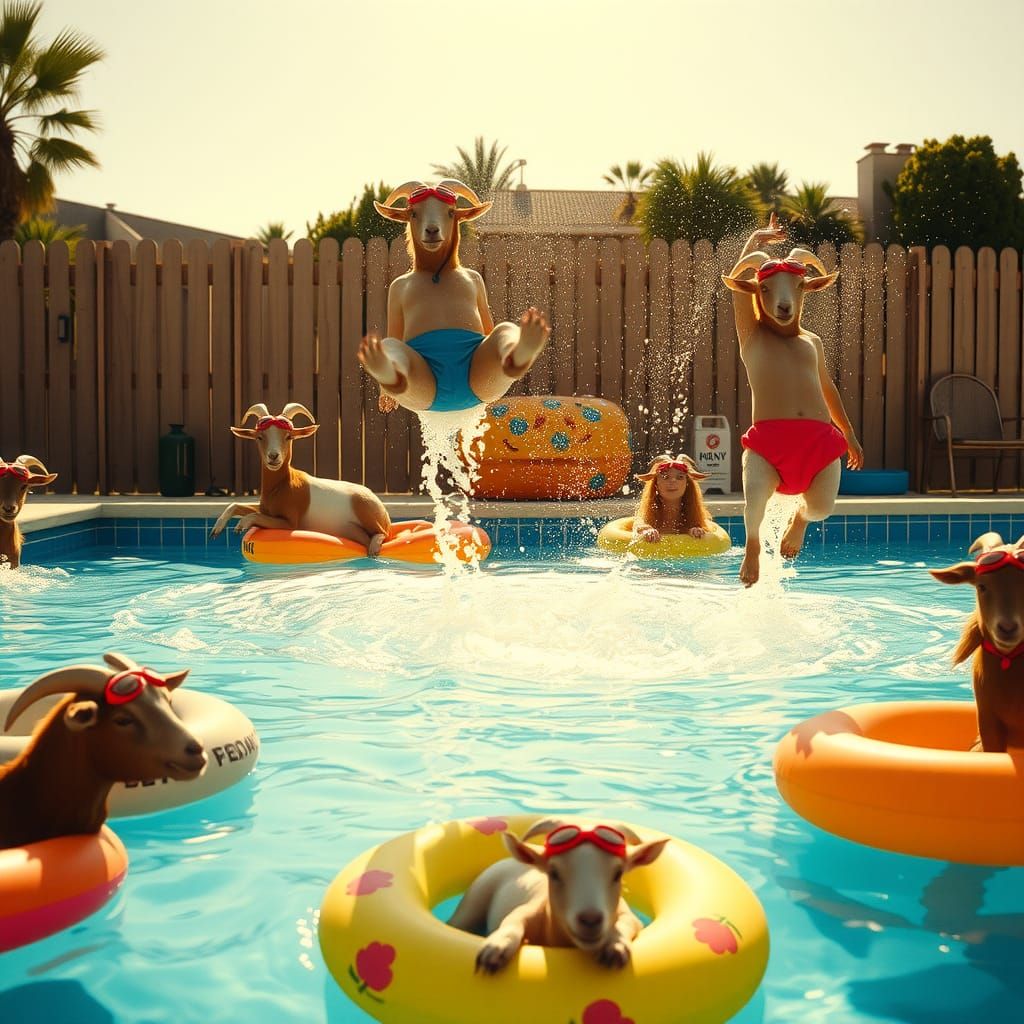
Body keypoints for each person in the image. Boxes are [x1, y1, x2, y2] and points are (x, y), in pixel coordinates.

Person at [722, 214, 863, 586]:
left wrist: (847, 433)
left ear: (805, 290)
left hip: (818, 442)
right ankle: (753, 545)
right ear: (758, 292)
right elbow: (738, 282)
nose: (783, 301)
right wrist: (755, 242)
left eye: (794, 289)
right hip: (770, 444)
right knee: (754, 503)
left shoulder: (811, 342)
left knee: (822, 508)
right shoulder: (752, 337)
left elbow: (827, 389)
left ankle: (799, 520)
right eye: (768, 290)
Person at [633, 454, 716, 543]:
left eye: (680, 477)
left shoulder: (696, 519)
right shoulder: (644, 519)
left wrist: (696, 530)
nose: (672, 481)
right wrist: (645, 530)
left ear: (687, 484)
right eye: (665, 477)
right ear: (656, 483)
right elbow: (638, 525)